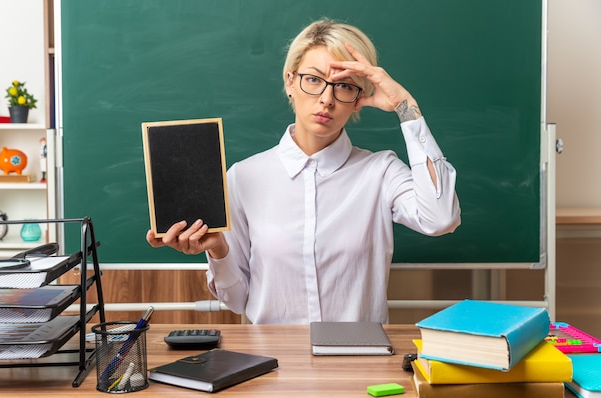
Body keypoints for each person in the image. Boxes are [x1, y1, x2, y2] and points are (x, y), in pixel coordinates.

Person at [147, 19, 461, 324]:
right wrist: (218, 250)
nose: (327, 99)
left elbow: (441, 218)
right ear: (290, 82)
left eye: (345, 86)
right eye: (313, 80)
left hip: (359, 361)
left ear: (358, 100)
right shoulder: (243, 178)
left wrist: (406, 106)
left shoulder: (380, 172)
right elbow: (238, 301)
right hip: (274, 363)